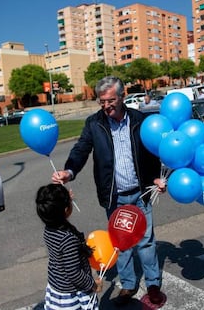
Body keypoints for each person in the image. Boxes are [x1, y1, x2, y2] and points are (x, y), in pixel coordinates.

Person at [52, 76, 166, 306]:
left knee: (145, 241)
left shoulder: (139, 120)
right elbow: (81, 149)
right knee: (120, 243)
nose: (106, 106)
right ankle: (128, 284)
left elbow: (152, 150)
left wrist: (157, 176)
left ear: (122, 96)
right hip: (114, 195)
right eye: (101, 101)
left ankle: (153, 284)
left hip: (141, 191)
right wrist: (69, 171)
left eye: (111, 100)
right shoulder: (94, 123)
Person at [36, 184, 102, 309]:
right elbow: (74, 273)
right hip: (71, 293)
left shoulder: (49, 228)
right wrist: (92, 285)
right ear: (66, 210)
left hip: (56, 284)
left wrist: (64, 199)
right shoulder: (68, 239)